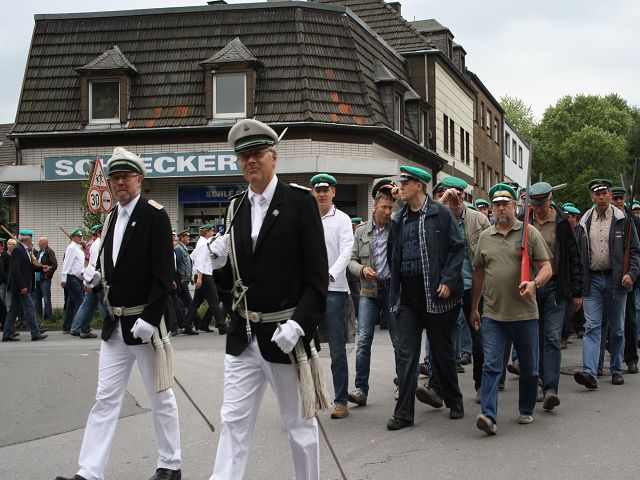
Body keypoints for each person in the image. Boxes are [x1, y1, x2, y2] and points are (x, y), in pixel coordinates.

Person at [207, 119, 328, 480]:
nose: (250, 161)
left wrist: (300, 324)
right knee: (232, 421)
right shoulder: (235, 208)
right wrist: (218, 264)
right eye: (243, 156)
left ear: (274, 157)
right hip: (243, 335)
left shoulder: (300, 203)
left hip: (284, 335)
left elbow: (317, 279)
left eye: (257, 153)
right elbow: (233, 283)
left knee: (299, 425)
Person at [55, 146, 181, 480]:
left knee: (160, 396)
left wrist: (151, 318)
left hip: (145, 325)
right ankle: (89, 471)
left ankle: (170, 465)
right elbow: (112, 264)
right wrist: (97, 276)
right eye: (115, 178)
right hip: (115, 324)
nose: (120, 183)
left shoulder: (155, 216)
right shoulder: (111, 218)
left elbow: (163, 275)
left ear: (139, 179)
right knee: (105, 398)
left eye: (126, 177)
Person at [386, 166, 465, 431]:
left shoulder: (439, 213)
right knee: (407, 356)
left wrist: (448, 280)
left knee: (442, 354)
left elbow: (457, 248)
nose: (400, 187)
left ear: (418, 185)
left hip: (435, 296)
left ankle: (454, 401)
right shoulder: (399, 219)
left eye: (405, 183)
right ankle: (404, 413)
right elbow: (393, 254)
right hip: (408, 298)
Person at [471, 183, 553, 435]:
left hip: (524, 314)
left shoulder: (529, 232)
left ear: (514, 206)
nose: (500, 208)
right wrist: (474, 308)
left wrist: (534, 284)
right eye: (496, 204)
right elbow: (479, 274)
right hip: (493, 314)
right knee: (491, 366)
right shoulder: (485, 237)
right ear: (491, 208)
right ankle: (488, 416)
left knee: (529, 368)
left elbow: (547, 268)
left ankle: (526, 409)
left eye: (505, 204)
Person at [573, 179, 640, 390]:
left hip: (616, 280)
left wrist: (631, 273)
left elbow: (635, 251)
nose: (601, 197)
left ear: (609, 195)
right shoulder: (585, 222)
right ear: (592, 197)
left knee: (617, 329)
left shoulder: (623, 220)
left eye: (604, 193)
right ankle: (590, 372)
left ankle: (616, 369)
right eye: (597, 194)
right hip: (592, 280)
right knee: (592, 326)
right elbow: (578, 254)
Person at [433, 176, 491, 403]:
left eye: (459, 194)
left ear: (465, 196)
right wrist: (442, 202)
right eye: (451, 194)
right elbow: (423, 221)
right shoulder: (439, 217)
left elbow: (491, 252)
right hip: (447, 287)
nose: (456, 198)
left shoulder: (479, 219)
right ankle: (438, 388)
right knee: (442, 339)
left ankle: (481, 385)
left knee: (478, 338)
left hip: (473, 288)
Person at [527, 182, 583, 411]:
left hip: (555, 286)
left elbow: (574, 258)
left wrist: (577, 292)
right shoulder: (525, 221)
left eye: (542, 204)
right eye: (535, 205)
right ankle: (539, 380)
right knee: (535, 337)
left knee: (551, 337)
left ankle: (550, 389)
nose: (539, 209)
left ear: (550, 199)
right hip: (530, 287)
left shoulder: (562, 223)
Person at [347, 181, 399, 407]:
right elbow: (350, 260)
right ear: (375, 206)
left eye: (390, 207)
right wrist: (362, 270)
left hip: (392, 290)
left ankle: (402, 384)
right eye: (384, 207)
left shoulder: (397, 228)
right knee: (364, 341)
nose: (388, 212)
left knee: (399, 341)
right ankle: (361, 389)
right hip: (368, 291)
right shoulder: (361, 231)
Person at [310, 173, 354, 419]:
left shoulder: (343, 219)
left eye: (326, 190)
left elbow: (347, 252)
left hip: (334, 291)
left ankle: (340, 401)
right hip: (309, 292)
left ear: (333, 192)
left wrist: (330, 275)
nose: (322, 194)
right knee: (304, 349)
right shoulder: (306, 217)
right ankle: (309, 400)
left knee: (337, 350)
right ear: (313, 193)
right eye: (318, 190)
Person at [2, 230, 49, 342]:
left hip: (19, 286)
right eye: (31, 238)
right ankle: (35, 333)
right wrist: (22, 286)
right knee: (29, 307)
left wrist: (41, 268)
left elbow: (28, 266)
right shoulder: (18, 250)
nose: (32, 240)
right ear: (27, 239)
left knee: (13, 310)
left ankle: (7, 333)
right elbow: (15, 270)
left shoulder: (23, 250)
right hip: (20, 286)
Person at [184, 223, 227, 334]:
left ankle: (187, 324)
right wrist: (199, 277)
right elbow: (200, 261)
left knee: (196, 303)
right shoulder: (203, 244)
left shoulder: (202, 242)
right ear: (207, 232)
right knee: (214, 301)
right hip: (205, 276)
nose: (213, 232)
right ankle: (222, 326)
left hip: (201, 275)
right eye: (211, 230)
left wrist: (195, 274)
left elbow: (192, 257)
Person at [70, 225, 107, 339]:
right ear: (99, 233)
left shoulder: (95, 244)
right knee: (104, 304)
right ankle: (111, 328)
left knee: (88, 305)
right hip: (97, 279)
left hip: (92, 278)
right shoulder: (99, 244)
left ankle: (83, 329)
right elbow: (95, 264)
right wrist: (91, 283)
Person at [174, 229, 199, 335]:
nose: (189, 238)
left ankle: (187, 325)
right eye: (187, 236)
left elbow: (187, 264)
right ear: (182, 238)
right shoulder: (179, 249)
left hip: (185, 279)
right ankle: (188, 325)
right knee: (187, 303)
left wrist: (191, 277)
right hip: (182, 280)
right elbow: (177, 265)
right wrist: (180, 278)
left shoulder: (183, 248)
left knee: (184, 303)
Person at [61, 228, 85, 334]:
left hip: (78, 278)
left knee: (71, 304)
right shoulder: (71, 248)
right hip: (72, 278)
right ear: (73, 237)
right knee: (81, 303)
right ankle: (82, 327)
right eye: (78, 236)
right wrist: (63, 278)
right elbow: (67, 263)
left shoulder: (78, 248)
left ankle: (67, 326)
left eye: (81, 236)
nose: (80, 238)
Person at [32, 237, 57, 322]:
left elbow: (54, 265)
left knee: (46, 298)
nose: (38, 243)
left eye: (39, 242)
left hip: (44, 279)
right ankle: (39, 318)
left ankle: (48, 317)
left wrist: (48, 275)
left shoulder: (49, 252)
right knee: (37, 299)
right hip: (37, 279)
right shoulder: (39, 252)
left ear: (44, 243)